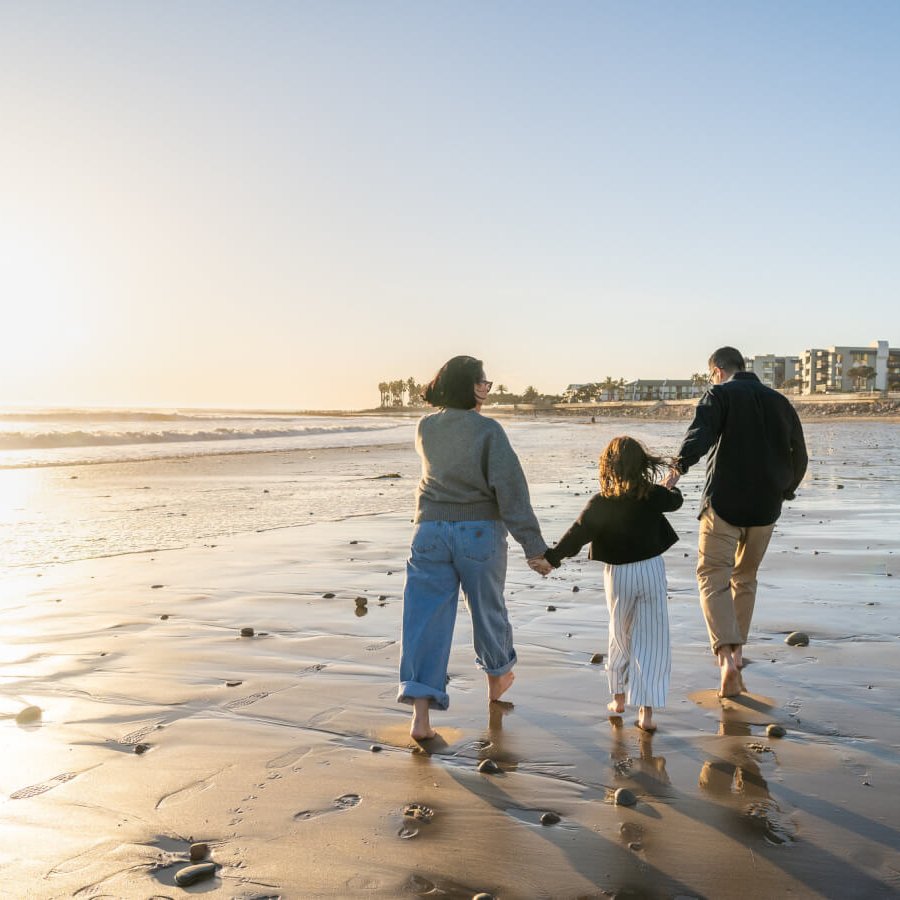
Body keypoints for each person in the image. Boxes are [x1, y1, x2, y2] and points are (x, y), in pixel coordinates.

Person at [398, 355, 551, 741]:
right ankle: (497, 678)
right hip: (478, 532)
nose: (486, 388)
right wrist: (534, 547)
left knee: (424, 620)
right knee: (487, 608)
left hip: (429, 529)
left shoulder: (425, 427)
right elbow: (510, 489)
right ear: (468, 385)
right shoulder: (489, 431)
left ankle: (421, 717)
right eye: (482, 382)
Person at [665, 347, 808, 698]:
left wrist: (677, 468)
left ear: (717, 371)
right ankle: (739, 655)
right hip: (765, 510)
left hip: (724, 503)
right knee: (745, 579)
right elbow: (800, 455)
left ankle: (726, 658)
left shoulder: (719, 393)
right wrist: (784, 491)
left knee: (712, 576)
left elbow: (700, 433)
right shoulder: (780, 402)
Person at [544, 436, 683, 732]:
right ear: (641, 464)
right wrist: (668, 483)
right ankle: (646, 714)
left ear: (608, 466)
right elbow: (675, 501)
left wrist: (551, 560)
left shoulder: (601, 503)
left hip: (618, 575)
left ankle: (619, 699)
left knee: (619, 632)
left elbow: (576, 535)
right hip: (650, 571)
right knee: (653, 639)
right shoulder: (651, 495)